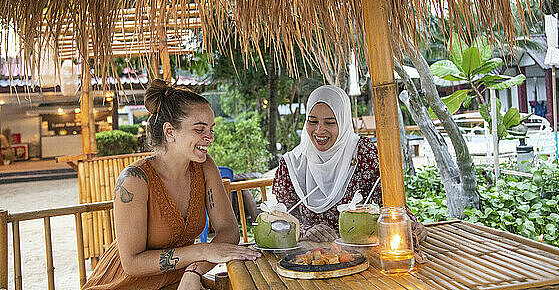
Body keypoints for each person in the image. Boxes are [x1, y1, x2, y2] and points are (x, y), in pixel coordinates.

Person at [83, 79, 260, 290]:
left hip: (178, 282)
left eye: (211, 130)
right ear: (170, 132)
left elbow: (229, 229)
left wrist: (193, 270)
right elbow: (131, 263)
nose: (210, 137)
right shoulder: (134, 180)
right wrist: (202, 251)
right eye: (199, 130)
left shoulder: (204, 167)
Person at [273, 85, 426, 243]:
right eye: (313, 121)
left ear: (344, 122)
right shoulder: (293, 164)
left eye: (330, 123)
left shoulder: (362, 153)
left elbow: (389, 201)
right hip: (306, 257)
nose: (319, 130)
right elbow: (279, 219)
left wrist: (410, 223)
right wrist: (306, 231)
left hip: (359, 250)